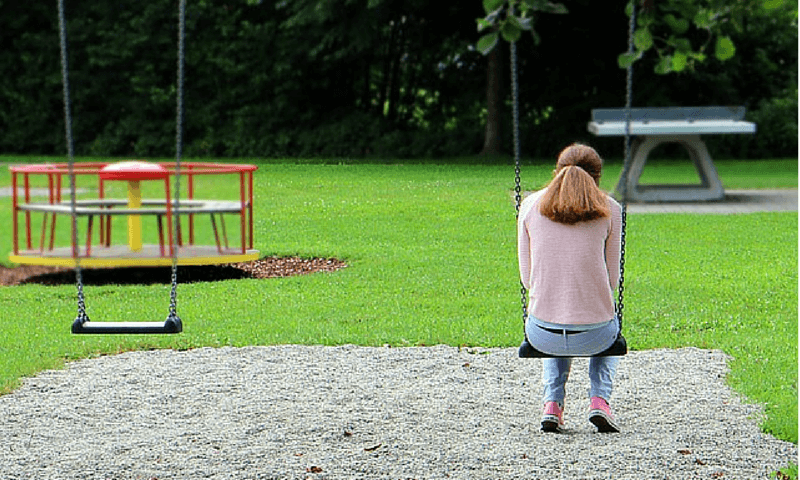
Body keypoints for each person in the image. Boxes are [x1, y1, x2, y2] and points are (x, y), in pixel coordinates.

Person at [517, 143, 623, 434]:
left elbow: (528, 280)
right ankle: (600, 401)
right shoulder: (611, 210)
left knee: (553, 312)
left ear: (557, 172)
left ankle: (552, 404)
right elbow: (612, 280)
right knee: (603, 318)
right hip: (597, 336)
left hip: (542, 335)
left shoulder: (529, 206)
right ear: (597, 177)